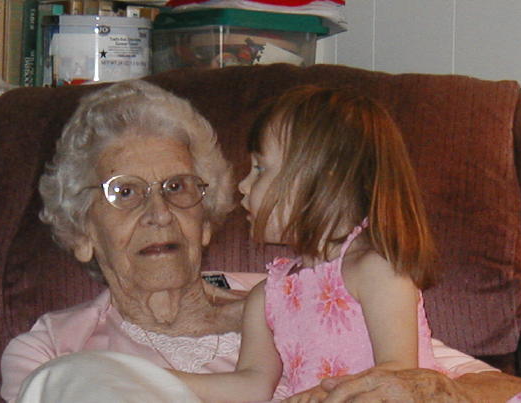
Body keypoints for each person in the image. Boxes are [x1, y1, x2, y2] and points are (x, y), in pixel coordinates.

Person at [1, 80, 521, 403]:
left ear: (206, 217)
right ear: (81, 232)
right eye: (125, 192)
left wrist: (433, 393)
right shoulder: (51, 348)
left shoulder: (335, 284)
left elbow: (472, 383)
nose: (158, 213)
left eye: (178, 188)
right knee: (75, 381)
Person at [172, 86, 445, 402]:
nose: (243, 186)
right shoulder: (268, 296)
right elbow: (251, 385)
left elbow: (399, 375)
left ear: (323, 177)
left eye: (260, 168)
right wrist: (151, 378)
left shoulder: (375, 270)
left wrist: (326, 394)